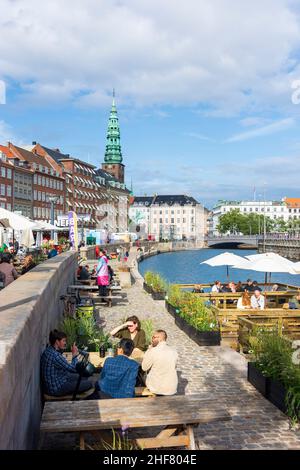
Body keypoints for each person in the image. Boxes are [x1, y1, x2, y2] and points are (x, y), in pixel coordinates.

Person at [40, 330, 93, 396]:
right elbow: (73, 369)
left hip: (59, 379)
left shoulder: (49, 350)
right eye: (64, 341)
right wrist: (74, 355)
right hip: (57, 388)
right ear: (57, 342)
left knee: (84, 377)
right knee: (89, 383)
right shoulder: (55, 356)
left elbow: (64, 365)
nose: (65, 343)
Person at [141, 330, 178, 396]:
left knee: (142, 376)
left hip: (156, 388)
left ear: (160, 339)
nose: (152, 339)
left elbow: (144, 367)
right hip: (171, 388)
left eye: (153, 337)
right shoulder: (174, 351)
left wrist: (149, 350)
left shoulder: (153, 351)